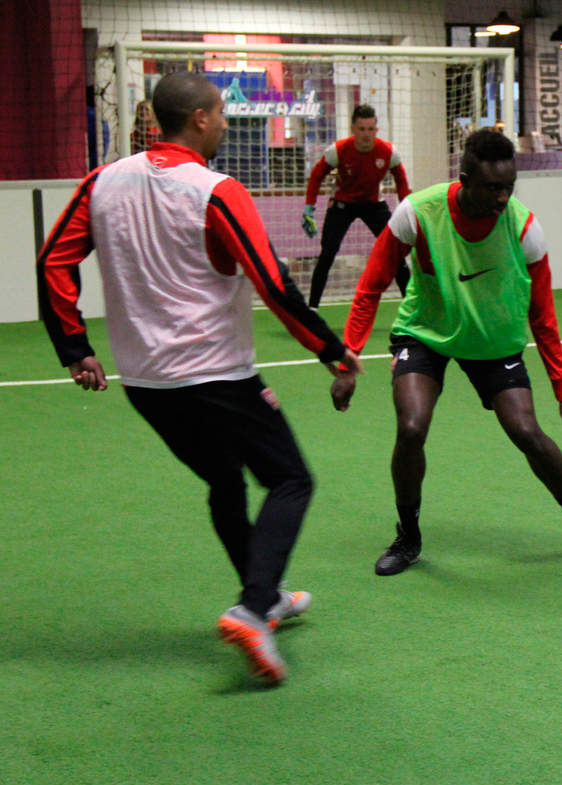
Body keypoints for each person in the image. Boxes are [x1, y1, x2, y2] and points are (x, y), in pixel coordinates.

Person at [36, 72, 363, 685]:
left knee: (223, 480)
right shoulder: (216, 190)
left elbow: (52, 259)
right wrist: (333, 352)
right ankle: (252, 606)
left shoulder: (101, 182)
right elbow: (271, 282)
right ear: (202, 119)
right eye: (221, 113)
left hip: (144, 384)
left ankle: (262, 599)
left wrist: (74, 346)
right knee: (290, 479)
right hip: (217, 375)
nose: (226, 123)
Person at [332, 129, 562, 574]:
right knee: (410, 427)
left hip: (493, 340)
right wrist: (347, 359)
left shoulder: (524, 229)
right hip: (425, 331)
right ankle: (408, 535)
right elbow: (371, 284)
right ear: (464, 178)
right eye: (492, 187)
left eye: (509, 187)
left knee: (526, 431)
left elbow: (543, 317)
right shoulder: (418, 213)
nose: (502, 198)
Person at [302, 104, 411, 307]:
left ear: (376, 130)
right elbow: (317, 175)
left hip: (373, 205)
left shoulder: (388, 152)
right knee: (327, 253)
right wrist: (309, 207)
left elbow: (401, 179)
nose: (366, 135)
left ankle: (413, 308)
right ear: (353, 129)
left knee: (395, 253)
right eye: (361, 129)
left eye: (371, 129)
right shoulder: (339, 150)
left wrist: (406, 207)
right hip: (343, 203)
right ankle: (312, 308)